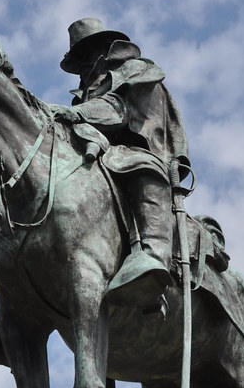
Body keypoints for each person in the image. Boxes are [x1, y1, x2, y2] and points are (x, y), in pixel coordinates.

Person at [52, 17, 191, 308]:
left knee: (136, 164)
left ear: (106, 50)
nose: (84, 65)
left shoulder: (136, 70)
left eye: (88, 54)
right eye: (79, 59)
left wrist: (71, 114)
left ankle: (153, 258)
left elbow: (117, 111)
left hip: (143, 148)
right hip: (103, 153)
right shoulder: (86, 92)